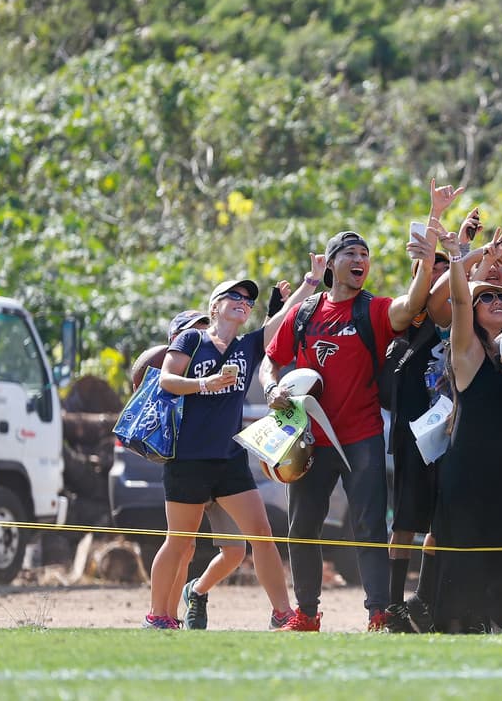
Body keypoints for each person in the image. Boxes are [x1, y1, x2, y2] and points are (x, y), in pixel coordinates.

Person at [261, 227, 435, 632]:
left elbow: (411, 306)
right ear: (332, 263)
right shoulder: (305, 313)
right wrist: (272, 388)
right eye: (351, 253)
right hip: (308, 439)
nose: (361, 260)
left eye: (365, 254)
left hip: (361, 436)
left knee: (369, 525)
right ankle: (305, 615)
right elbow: (271, 359)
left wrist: (426, 259)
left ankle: (377, 613)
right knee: (302, 526)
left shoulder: (372, 310)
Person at [145, 272, 317, 629]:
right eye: (233, 296)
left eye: (247, 300)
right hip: (188, 459)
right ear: (215, 306)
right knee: (179, 543)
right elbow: (166, 379)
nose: (242, 302)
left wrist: (311, 282)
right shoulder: (193, 339)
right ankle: (157, 616)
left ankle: (282, 614)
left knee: (262, 537)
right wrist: (204, 382)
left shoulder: (247, 346)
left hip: (228, 458)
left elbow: (280, 321)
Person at [426, 221, 502, 633]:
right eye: (488, 297)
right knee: (462, 548)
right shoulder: (467, 349)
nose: (496, 300)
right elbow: (459, 303)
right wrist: (458, 254)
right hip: (469, 467)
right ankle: (460, 623)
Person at [131, 309, 248, 629]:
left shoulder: (223, 356)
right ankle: (164, 615)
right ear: (176, 339)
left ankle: (191, 595)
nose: (202, 335)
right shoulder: (171, 377)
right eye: (193, 331)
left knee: (236, 550)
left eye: (204, 328)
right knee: (182, 544)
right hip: (187, 468)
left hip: (224, 467)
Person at [383, 180, 463, 633]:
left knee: (442, 517)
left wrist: (466, 254)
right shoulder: (411, 310)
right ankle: (394, 604)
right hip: (415, 427)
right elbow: (429, 302)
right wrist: (437, 217)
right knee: (408, 520)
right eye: (431, 266)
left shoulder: (459, 304)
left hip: (451, 426)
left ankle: (426, 600)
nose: (439, 273)